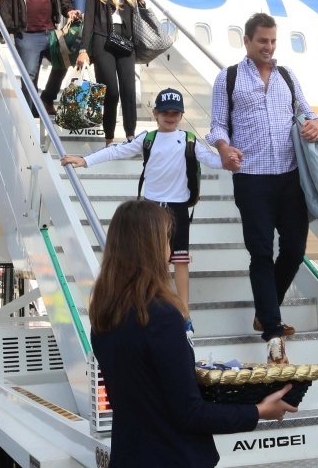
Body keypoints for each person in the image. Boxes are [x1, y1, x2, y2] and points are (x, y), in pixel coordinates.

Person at [90, 200, 296, 468]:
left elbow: (146, 392)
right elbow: (189, 414)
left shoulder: (104, 317)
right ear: (150, 248)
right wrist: (258, 411)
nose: (170, 250)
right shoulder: (161, 316)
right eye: (166, 240)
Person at [207, 12, 318, 365]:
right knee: (260, 253)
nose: (269, 47)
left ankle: (264, 311)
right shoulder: (228, 78)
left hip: (290, 176)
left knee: (294, 250)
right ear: (247, 40)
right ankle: (273, 332)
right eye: (262, 41)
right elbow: (217, 125)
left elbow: (308, 112)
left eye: (273, 41)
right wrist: (223, 147)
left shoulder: (287, 75)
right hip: (252, 177)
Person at [63, 89, 229, 334]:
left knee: (180, 260)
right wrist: (85, 160)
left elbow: (214, 160)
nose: (170, 117)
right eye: (165, 112)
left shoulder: (189, 140)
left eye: (175, 113)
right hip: (151, 209)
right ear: (155, 113)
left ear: (182, 115)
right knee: (153, 259)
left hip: (178, 207)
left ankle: (185, 313)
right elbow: (116, 150)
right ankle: (155, 305)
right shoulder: (147, 139)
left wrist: (233, 159)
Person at [78, 0, 146, 145]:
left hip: (126, 42)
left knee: (128, 90)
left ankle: (130, 136)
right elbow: (89, 20)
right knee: (111, 91)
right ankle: (109, 138)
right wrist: (83, 49)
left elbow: (143, 16)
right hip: (103, 41)